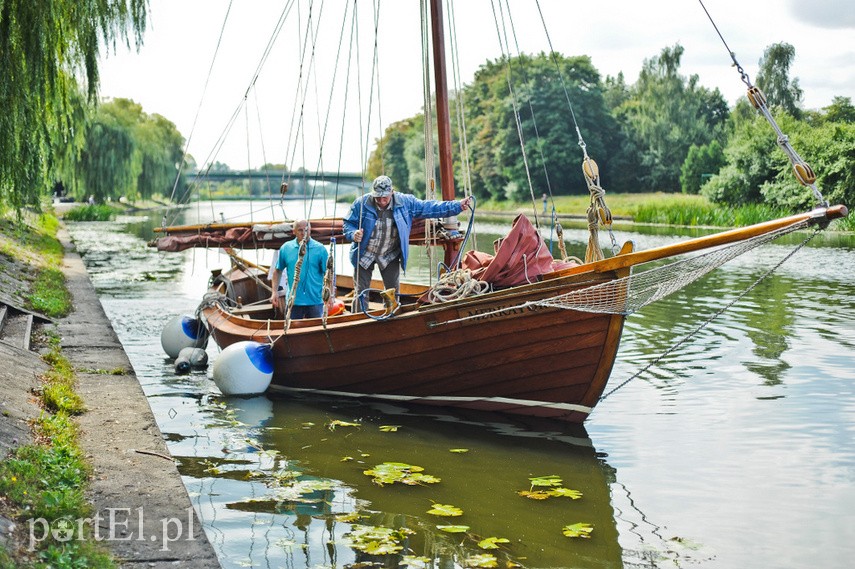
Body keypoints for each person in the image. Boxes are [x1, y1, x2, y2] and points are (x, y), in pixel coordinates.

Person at [342, 175, 472, 300]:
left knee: (392, 294)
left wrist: (457, 206)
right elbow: (348, 224)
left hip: (389, 254)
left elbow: (430, 207)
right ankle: (359, 316)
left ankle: (390, 319)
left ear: (392, 192)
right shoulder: (361, 203)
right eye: (378, 198)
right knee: (360, 294)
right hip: (364, 253)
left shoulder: (405, 202)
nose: (381, 202)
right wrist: (353, 234)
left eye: (385, 198)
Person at [269, 219, 329, 319]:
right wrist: (274, 292)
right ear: (294, 231)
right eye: (300, 230)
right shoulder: (286, 248)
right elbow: (278, 270)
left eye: (306, 230)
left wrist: (330, 296)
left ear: (310, 230)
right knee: (292, 332)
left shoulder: (320, 249)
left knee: (317, 332)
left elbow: (328, 273)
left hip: (315, 300)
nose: (304, 233)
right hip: (294, 301)